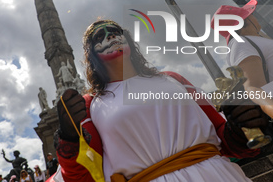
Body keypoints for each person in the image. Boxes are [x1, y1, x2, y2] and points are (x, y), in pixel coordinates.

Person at [52, 19, 269, 182]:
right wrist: (69, 138)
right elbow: (84, 176)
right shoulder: (90, 105)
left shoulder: (173, 79)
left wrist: (240, 126)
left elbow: (225, 138)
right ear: (91, 55)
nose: (109, 38)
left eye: (115, 32)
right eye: (99, 38)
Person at [211, 0, 273, 117]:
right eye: (251, 15)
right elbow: (253, 88)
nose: (254, 17)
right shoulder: (239, 43)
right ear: (245, 21)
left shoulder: (251, 41)